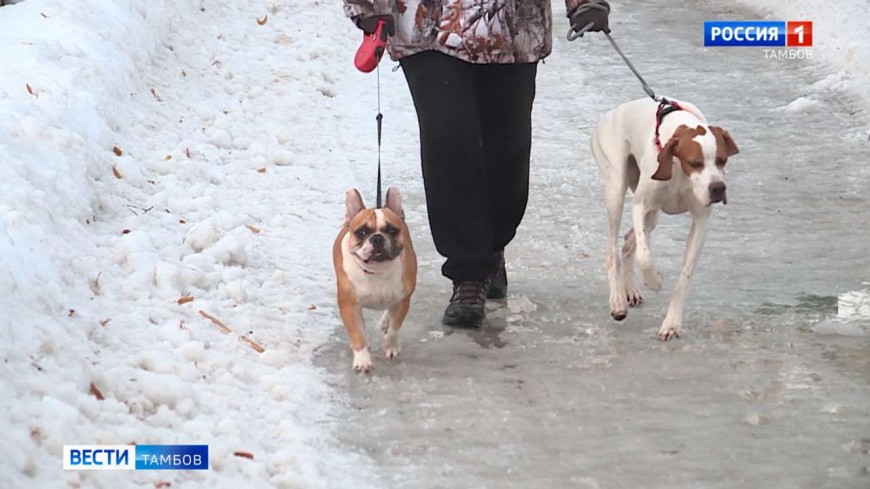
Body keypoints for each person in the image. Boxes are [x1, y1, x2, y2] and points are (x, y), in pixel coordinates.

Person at [343, 0, 610, 327]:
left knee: (507, 148)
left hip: (513, 25)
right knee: (448, 139)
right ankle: (468, 272)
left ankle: (492, 247)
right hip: (429, 25)